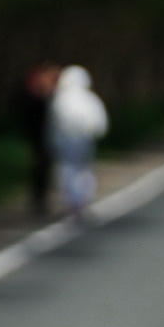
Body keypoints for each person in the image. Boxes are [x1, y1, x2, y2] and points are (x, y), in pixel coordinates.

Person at [47, 65, 108, 220]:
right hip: (84, 141)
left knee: (66, 170)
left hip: (65, 142)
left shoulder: (60, 98)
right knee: (84, 170)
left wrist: (51, 142)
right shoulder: (89, 98)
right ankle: (83, 200)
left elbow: (52, 124)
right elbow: (99, 123)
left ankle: (70, 202)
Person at [14, 63, 58, 216]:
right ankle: (38, 200)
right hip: (39, 136)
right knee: (40, 167)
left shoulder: (44, 94)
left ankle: (41, 199)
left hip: (45, 136)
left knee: (43, 168)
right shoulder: (35, 96)